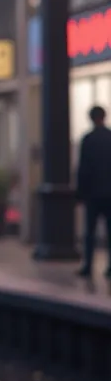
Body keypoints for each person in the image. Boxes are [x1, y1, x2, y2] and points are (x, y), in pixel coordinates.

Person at [76, 104, 111, 277]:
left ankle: (88, 266)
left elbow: (83, 169)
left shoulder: (88, 140)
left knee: (89, 232)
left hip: (93, 194)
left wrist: (80, 193)